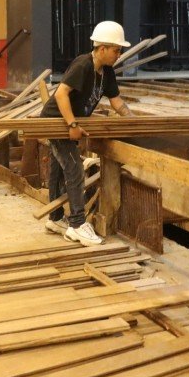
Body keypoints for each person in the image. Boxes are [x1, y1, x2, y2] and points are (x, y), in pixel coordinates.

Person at [40, 21, 134, 246]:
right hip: (57, 120)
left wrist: (133, 121)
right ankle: (77, 225)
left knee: (58, 170)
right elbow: (61, 94)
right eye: (116, 50)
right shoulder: (83, 65)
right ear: (102, 49)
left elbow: (117, 102)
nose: (118, 55)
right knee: (73, 168)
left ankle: (55, 219)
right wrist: (72, 125)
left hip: (68, 121)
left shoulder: (107, 72)